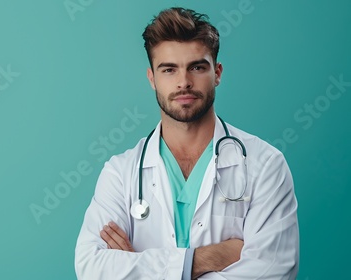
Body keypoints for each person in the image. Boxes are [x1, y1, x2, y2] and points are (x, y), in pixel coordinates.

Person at [74, 7, 299, 280]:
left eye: (197, 67)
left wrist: (137, 267)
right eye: (169, 70)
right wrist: (205, 258)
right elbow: (91, 267)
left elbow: (273, 271)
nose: (183, 82)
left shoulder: (265, 165)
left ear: (217, 73)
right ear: (152, 79)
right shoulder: (121, 173)